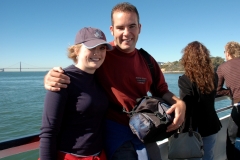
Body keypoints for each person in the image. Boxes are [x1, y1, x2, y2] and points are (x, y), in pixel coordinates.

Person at [43, 2, 186, 160]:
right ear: (112, 30)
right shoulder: (103, 54)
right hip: (116, 133)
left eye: (132, 26)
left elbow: (161, 90)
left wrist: (179, 102)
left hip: (147, 129)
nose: (126, 33)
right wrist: (53, 76)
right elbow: (80, 71)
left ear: (139, 28)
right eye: (120, 28)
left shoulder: (147, 60)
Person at [39, 27, 113, 160]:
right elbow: (48, 132)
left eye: (102, 48)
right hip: (70, 156)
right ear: (76, 50)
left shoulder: (99, 78)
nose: (97, 53)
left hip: (99, 155)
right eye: (91, 48)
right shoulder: (62, 79)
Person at [178, 41, 222, 160]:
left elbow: (186, 105)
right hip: (211, 124)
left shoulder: (184, 80)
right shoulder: (214, 76)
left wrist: (181, 129)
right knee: (209, 156)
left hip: (194, 128)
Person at [216, 41, 240, 160]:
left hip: (238, 105)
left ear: (228, 53)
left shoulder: (222, 67)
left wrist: (230, 92)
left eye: (225, 52)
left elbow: (217, 90)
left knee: (231, 137)